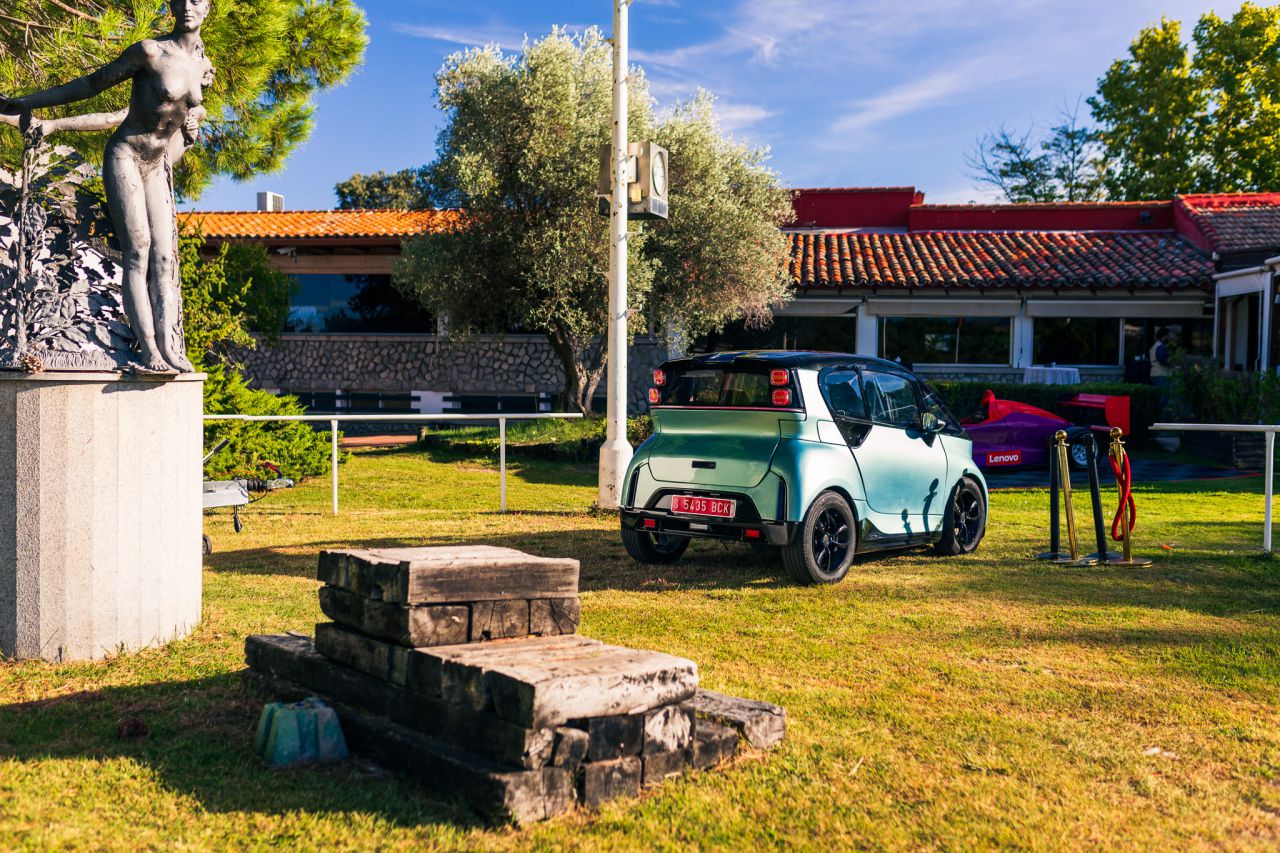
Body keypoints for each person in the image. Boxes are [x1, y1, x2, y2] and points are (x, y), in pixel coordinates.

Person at [0, 0, 214, 373]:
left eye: (196, 0)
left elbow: (181, 129)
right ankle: (148, 349)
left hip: (158, 165)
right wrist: (29, 104)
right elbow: (90, 85)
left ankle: (171, 347)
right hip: (127, 155)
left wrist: (191, 132)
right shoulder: (150, 51)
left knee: (165, 258)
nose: (186, 6)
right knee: (139, 251)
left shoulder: (203, 65)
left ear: (209, 8)